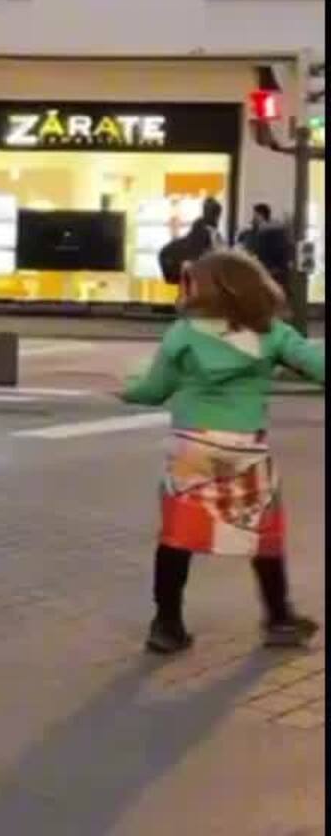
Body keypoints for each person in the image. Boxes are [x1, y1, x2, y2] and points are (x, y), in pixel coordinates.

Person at [120, 249, 324, 654]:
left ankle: (167, 624)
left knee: (177, 535)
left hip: (193, 445)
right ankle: (279, 618)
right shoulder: (272, 333)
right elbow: (317, 364)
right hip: (245, 446)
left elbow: (152, 390)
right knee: (263, 532)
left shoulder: (183, 334)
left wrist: (128, 386)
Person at [240, 203, 296, 290]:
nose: (253, 218)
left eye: (255, 215)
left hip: (270, 272)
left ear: (260, 216)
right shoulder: (279, 231)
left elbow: (259, 251)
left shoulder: (266, 233)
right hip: (276, 272)